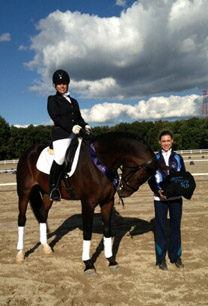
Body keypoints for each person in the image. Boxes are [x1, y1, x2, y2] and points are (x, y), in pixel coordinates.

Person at [47, 69, 91, 201]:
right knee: (60, 157)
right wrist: (71, 127)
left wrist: (85, 125)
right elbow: (56, 118)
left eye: (64, 83)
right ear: (55, 85)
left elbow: (79, 118)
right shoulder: (52, 99)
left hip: (76, 133)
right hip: (61, 135)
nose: (62, 86)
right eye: (59, 83)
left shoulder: (74, 101)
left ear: (68, 84)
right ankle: (53, 188)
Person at [148, 130, 185, 271]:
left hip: (176, 199)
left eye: (168, 141)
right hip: (160, 199)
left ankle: (176, 257)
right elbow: (151, 180)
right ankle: (161, 259)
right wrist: (158, 191)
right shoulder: (155, 159)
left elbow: (183, 178)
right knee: (161, 229)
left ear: (172, 141)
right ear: (159, 142)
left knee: (175, 228)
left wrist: (178, 190)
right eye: (163, 141)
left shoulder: (178, 158)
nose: (166, 143)